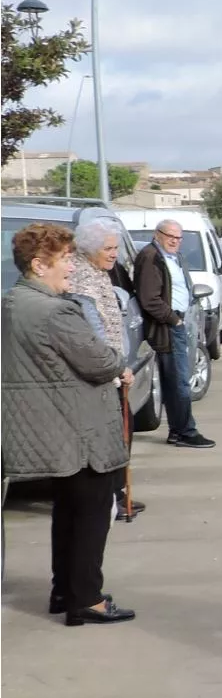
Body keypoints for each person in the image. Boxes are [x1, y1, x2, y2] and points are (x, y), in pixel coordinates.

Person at [2, 223, 136, 625]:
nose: (71, 270)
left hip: (49, 428)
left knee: (69, 513)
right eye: (63, 261)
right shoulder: (56, 311)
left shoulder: (12, 302)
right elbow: (100, 361)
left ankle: (66, 590)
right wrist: (118, 366)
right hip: (77, 430)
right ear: (39, 265)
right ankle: (86, 599)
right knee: (92, 514)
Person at [69, 217, 146, 520]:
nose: (115, 254)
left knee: (119, 433)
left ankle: (115, 494)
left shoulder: (97, 271)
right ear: (89, 249)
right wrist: (117, 368)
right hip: (101, 373)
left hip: (112, 369)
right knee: (110, 437)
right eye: (109, 248)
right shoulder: (82, 280)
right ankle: (111, 498)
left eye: (116, 248)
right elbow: (93, 331)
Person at [134, 219, 216, 449]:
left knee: (177, 381)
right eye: (170, 236)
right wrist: (174, 319)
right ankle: (185, 432)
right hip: (168, 327)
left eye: (179, 238)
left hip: (180, 322)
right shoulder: (151, 257)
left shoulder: (173, 257)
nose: (175, 241)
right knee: (179, 382)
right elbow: (150, 299)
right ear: (157, 234)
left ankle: (178, 430)